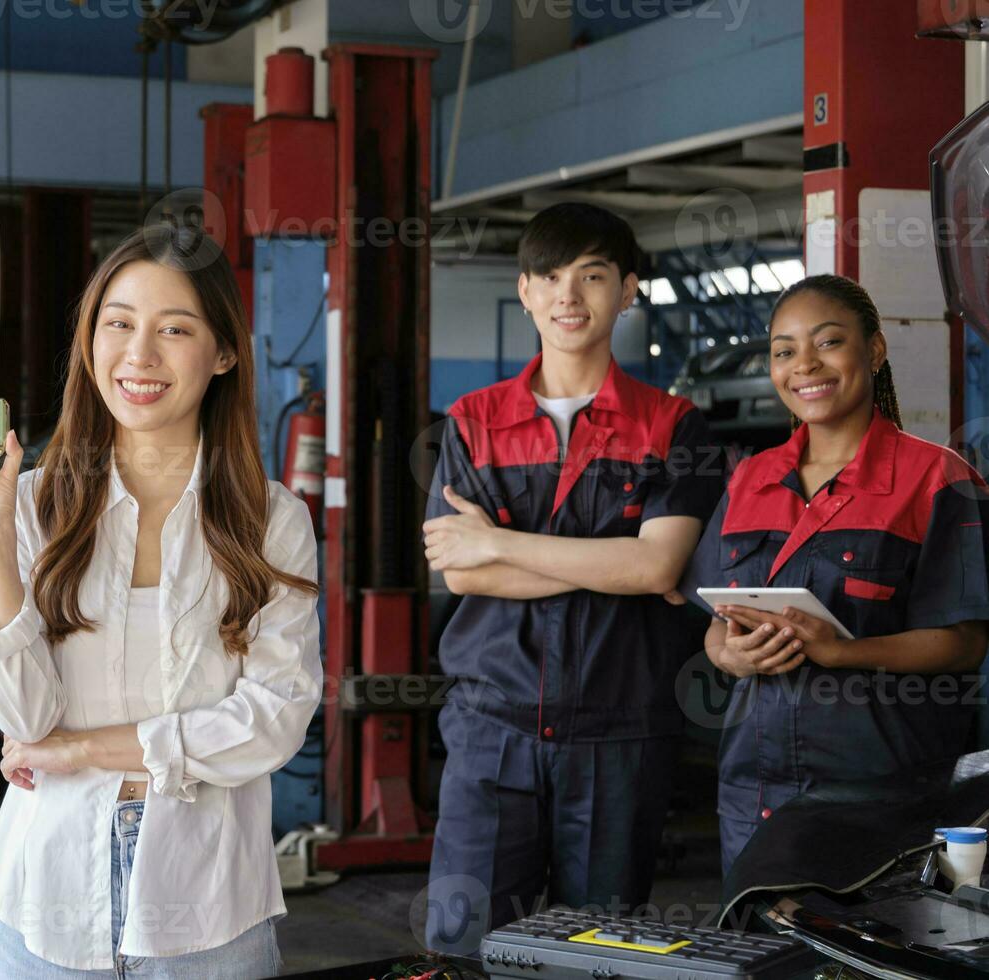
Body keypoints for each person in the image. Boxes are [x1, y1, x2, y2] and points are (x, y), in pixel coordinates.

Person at [0, 224, 320, 977]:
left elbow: (272, 720)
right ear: (90, 342)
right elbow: (24, 719)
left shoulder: (270, 519)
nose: (139, 356)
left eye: (174, 329)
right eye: (118, 324)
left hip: (209, 904)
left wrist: (81, 749)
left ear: (223, 353)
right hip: (44, 896)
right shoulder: (31, 506)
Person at [421, 203, 722, 951]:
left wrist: (502, 544)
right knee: (466, 950)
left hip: (618, 737)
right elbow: (461, 574)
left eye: (592, 276)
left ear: (627, 291)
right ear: (524, 291)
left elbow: (656, 565)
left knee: (599, 956)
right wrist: (608, 565)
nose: (568, 297)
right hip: (492, 729)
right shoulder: (471, 422)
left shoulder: (674, 426)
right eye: (550, 277)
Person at [682, 274, 989, 876]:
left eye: (828, 342)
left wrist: (841, 652)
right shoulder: (749, 480)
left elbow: (964, 644)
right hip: (757, 792)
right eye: (785, 350)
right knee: (759, 962)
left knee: (870, 965)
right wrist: (730, 656)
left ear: (873, 350)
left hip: (883, 793)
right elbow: (716, 626)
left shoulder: (937, 480)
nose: (805, 365)